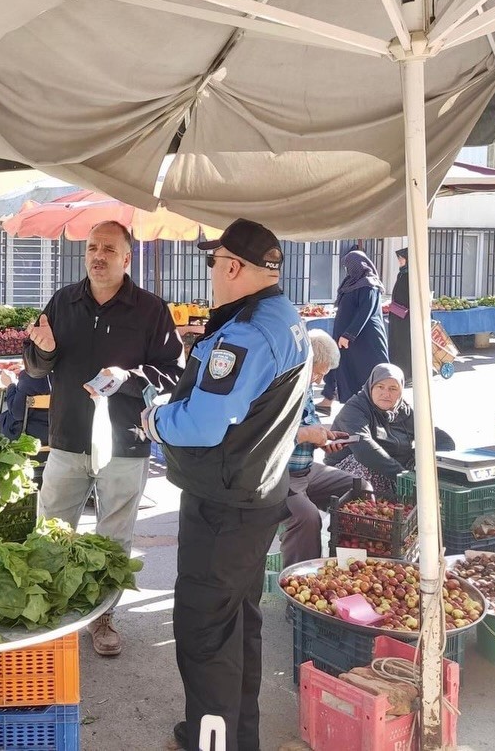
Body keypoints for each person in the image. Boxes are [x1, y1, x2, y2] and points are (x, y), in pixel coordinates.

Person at [141, 218, 311, 751]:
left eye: (214, 262)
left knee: (204, 634)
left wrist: (154, 420)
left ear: (234, 266)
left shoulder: (245, 335)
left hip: (225, 506)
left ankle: (209, 742)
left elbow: (202, 425)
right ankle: (234, 736)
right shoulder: (286, 318)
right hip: (258, 496)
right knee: (239, 623)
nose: (212, 271)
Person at [24, 220, 183, 657]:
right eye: (93, 247)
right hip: (69, 435)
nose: (98, 255)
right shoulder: (63, 301)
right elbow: (36, 368)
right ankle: (49, 613)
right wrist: (43, 349)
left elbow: (173, 374)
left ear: (126, 258)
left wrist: (127, 377)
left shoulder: (151, 310)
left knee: (113, 537)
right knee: (52, 529)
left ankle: (102, 617)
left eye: (109, 249)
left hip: (126, 441)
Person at [326, 363, 455, 499]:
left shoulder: (404, 411)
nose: (386, 394)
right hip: (349, 470)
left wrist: (425, 461)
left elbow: (443, 440)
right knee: (367, 467)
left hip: (394, 468)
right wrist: (403, 476)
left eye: (393, 389)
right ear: (371, 387)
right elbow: (364, 450)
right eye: (380, 387)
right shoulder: (354, 409)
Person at [282, 329, 354, 567]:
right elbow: (266, 436)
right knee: (307, 518)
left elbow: (307, 425)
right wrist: (306, 435)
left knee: (357, 488)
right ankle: (300, 583)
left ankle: (346, 564)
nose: (320, 381)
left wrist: (325, 436)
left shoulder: (306, 388)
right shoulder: (282, 387)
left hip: (306, 469)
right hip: (280, 475)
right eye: (318, 373)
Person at [317, 249, 389, 413]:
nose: (347, 269)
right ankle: (332, 400)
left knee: (368, 371)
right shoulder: (350, 282)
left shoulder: (369, 284)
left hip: (364, 339)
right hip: (346, 338)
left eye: (349, 265)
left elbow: (365, 311)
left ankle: (376, 407)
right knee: (340, 367)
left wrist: (349, 335)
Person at [387, 248, 412, 381]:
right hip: (397, 316)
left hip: (406, 318)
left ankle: (406, 374)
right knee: (396, 344)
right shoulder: (402, 274)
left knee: (404, 345)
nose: (399, 261)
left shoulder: (410, 276)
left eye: (401, 259)